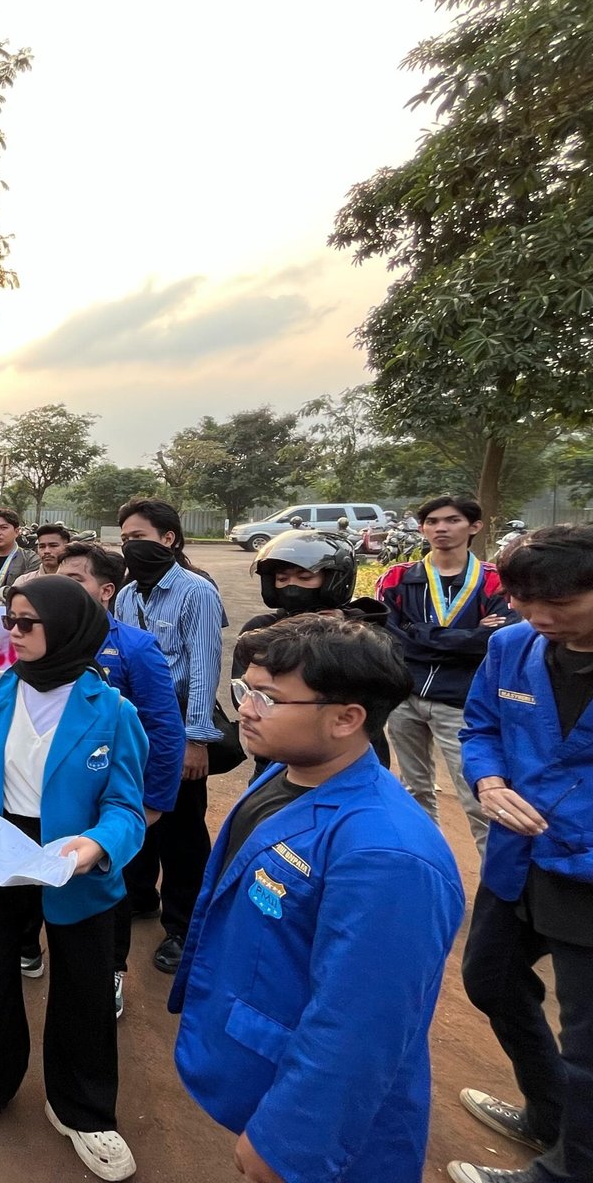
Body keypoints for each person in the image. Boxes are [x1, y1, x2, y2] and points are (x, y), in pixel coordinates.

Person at [171, 615, 464, 1183]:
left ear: (347, 719)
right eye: (245, 689)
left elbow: (361, 1023)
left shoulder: (387, 855)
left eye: (268, 698)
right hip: (267, 1064)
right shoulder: (290, 774)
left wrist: (290, 1143)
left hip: (329, 1134)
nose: (245, 709)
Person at [0, 576, 147, 1182]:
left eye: (28, 622)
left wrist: (95, 847)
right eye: (10, 620)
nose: (14, 632)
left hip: (75, 857)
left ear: (69, 629)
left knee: (84, 984)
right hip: (3, 847)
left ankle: (82, 1108)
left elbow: (126, 808)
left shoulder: (114, 711)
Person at [448, 525, 593, 1183]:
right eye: (524, 600)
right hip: (517, 858)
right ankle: (551, 1115)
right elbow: (481, 727)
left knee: (588, 1042)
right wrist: (489, 781)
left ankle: (567, 1171)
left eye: (558, 603)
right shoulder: (512, 647)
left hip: (585, 877)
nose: (539, 616)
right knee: (491, 980)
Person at [57, 542, 186, 1020]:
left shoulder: (135, 646)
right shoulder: (49, 639)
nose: (63, 588)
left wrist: (152, 803)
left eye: (76, 580)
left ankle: (110, 969)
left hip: (114, 797)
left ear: (106, 590)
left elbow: (165, 730)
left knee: (113, 886)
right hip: (62, 794)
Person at [112, 497, 227, 975]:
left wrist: (195, 739)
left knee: (182, 830)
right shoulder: (126, 595)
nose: (130, 547)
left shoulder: (197, 591)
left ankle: (183, 926)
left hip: (176, 723)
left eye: (138, 537)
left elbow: (204, 667)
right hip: (133, 722)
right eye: (124, 539)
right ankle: (140, 896)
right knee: (137, 811)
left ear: (168, 539)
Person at [378, 495, 517, 858]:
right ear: (422, 528)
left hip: (463, 703)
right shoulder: (397, 578)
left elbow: (497, 641)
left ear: (474, 526)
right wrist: (469, 636)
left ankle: (492, 883)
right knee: (414, 791)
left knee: (478, 797)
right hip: (405, 697)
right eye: (433, 521)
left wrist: (419, 631)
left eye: (452, 520)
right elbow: (387, 636)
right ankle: (425, 866)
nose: (441, 528)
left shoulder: (495, 580)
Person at [240, 529, 394, 768]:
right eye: (282, 578)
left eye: (305, 577)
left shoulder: (364, 631)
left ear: (334, 580)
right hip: (276, 753)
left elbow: (382, 691)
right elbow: (245, 693)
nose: (292, 585)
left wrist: (340, 630)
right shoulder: (260, 630)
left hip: (347, 753)